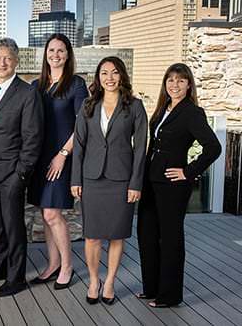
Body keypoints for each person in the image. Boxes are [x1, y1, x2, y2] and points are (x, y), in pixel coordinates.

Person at [137, 63, 223, 309]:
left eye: (181, 80)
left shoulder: (192, 113)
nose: (175, 84)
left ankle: (169, 296)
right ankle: (151, 288)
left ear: (189, 85)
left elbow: (213, 148)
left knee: (171, 239)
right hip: (151, 181)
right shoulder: (163, 108)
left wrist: (188, 171)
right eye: (171, 80)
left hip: (173, 185)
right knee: (147, 235)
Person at [71, 56, 147, 305]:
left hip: (121, 181)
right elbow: (79, 146)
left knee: (117, 235)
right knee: (92, 236)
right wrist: (76, 179)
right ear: (98, 77)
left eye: (114, 73)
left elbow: (140, 148)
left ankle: (111, 281)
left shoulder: (134, 107)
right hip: (92, 179)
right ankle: (94, 280)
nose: (110, 78)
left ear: (122, 76)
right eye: (104, 73)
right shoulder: (87, 105)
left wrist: (136, 183)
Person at [0, 38, 42, 296]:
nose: (2, 62)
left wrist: (21, 173)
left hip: (13, 172)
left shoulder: (27, 93)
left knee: (14, 226)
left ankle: (16, 278)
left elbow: (32, 137)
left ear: (15, 61)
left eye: (7, 58)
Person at [26, 34, 87, 288]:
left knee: (53, 213)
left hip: (62, 157)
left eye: (61, 50)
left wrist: (63, 155)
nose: (56, 55)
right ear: (46, 54)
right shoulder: (36, 85)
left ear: (68, 54)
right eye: (51, 50)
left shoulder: (76, 84)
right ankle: (52, 264)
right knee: (45, 213)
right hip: (40, 159)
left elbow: (82, 125)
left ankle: (67, 266)